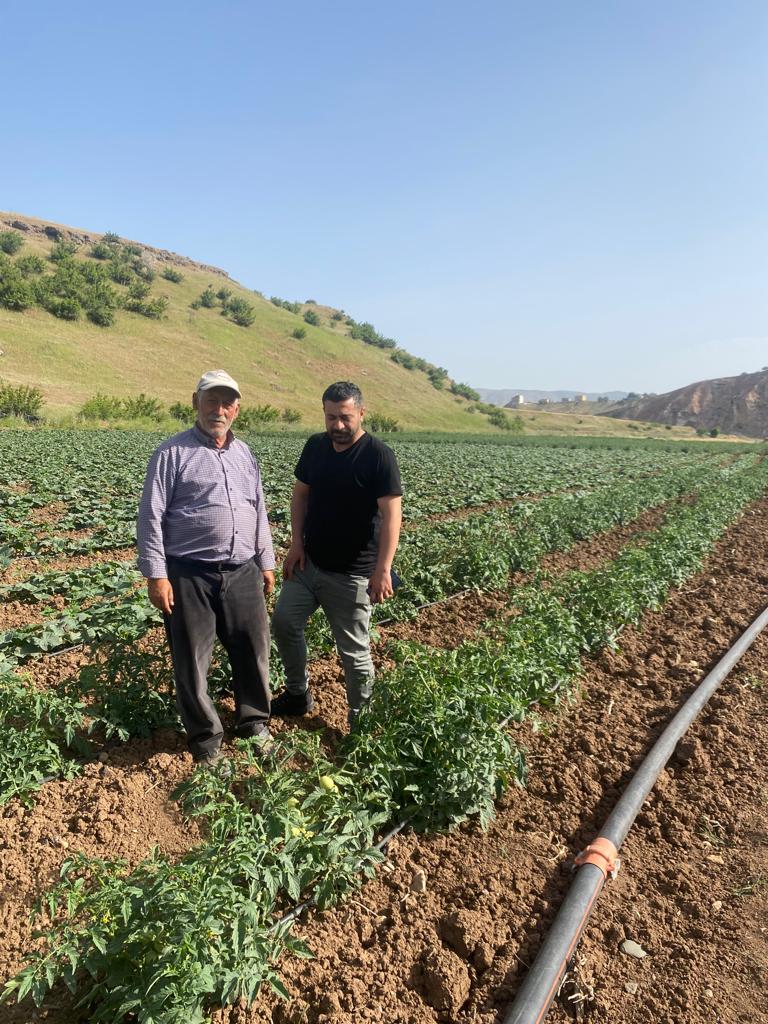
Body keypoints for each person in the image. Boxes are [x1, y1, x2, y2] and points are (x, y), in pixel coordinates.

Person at [137, 369, 275, 765]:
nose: (219, 409)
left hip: (243, 570)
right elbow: (150, 516)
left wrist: (265, 561)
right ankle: (205, 738)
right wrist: (157, 574)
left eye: (226, 402)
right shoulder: (172, 453)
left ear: (236, 408)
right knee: (192, 659)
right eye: (211, 400)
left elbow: (258, 508)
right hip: (189, 573)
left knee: (253, 650)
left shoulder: (244, 453)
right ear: (195, 402)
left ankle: (253, 722)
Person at [271, 380, 403, 728]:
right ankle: (298, 694)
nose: (338, 426)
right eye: (331, 417)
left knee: (354, 656)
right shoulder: (316, 446)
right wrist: (296, 544)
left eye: (345, 417)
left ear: (361, 413)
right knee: (284, 622)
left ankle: (362, 726)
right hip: (310, 564)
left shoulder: (378, 456)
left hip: (353, 574)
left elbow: (392, 516)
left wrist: (383, 569)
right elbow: (300, 495)